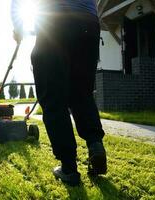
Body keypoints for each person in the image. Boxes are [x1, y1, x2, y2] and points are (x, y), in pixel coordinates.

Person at [11, 0, 107, 186]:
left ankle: (69, 167)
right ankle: (95, 144)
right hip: (89, 22)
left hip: (54, 20)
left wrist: (18, 28)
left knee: (53, 98)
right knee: (82, 93)